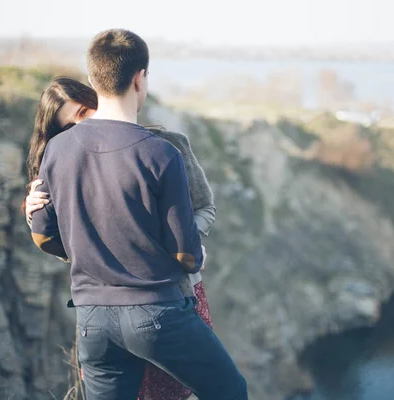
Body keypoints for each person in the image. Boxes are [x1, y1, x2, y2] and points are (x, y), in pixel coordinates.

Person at [29, 28, 247, 400]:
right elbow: (186, 254)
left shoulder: (56, 151)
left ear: (94, 80)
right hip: (155, 314)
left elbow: (46, 234)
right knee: (229, 389)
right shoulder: (160, 154)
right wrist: (196, 255)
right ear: (139, 78)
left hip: (91, 319)